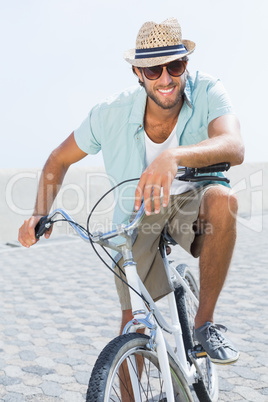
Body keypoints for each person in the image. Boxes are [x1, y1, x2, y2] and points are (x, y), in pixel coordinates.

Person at [19, 17, 244, 365]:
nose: (166, 78)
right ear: (138, 73)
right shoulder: (110, 113)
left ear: (186, 64)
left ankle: (205, 325)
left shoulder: (209, 90)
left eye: (175, 65)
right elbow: (57, 159)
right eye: (153, 70)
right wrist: (38, 211)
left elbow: (234, 145)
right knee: (133, 327)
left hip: (192, 201)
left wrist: (172, 157)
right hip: (138, 216)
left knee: (224, 200)